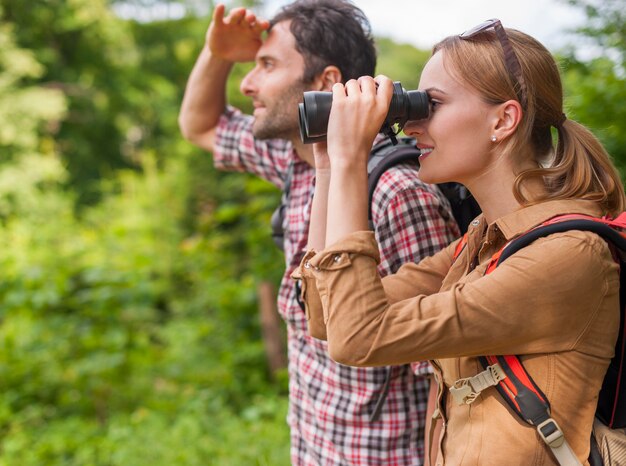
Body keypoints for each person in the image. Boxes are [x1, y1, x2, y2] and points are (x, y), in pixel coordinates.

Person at [294, 18, 626, 466]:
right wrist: (329, 168)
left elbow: (358, 338)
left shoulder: (565, 256)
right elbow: (327, 318)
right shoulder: (483, 238)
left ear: (503, 119)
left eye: (431, 104)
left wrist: (354, 160)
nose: (412, 125)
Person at [178, 1, 460, 465]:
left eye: (266, 66)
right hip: (313, 447)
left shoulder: (397, 193)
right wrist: (217, 53)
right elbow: (200, 125)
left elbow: (445, 368)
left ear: (326, 83)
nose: (247, 84)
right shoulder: (298, 160)